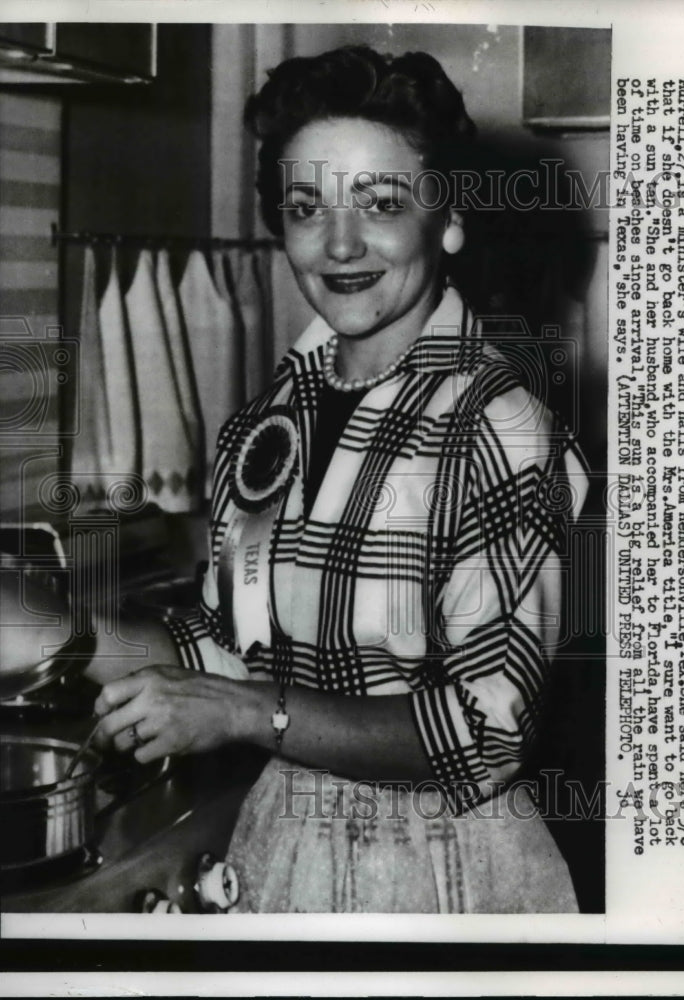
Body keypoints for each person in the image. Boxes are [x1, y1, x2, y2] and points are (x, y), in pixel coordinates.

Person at [88, 45, 590, 913]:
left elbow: (487, 731)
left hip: (445, 876)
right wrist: (62, 637)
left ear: (450, 219)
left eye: (381, 203)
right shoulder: (264, 427)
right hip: (284, 848)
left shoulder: (497, 423)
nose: (342, 242)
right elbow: (220, 648)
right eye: (306, 207)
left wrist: (248, 714)